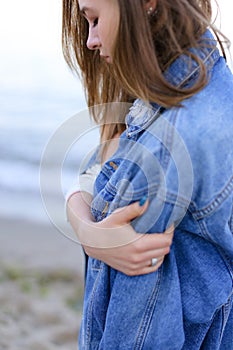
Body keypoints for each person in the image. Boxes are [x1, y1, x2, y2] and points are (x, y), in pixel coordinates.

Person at [62, 0, 233, 349]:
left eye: (95, 19)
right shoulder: (208, 87)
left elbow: (136, 331)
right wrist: (87, 232)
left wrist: (93, 235)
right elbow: (92, 176)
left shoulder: (166, 146)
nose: (90, 41)